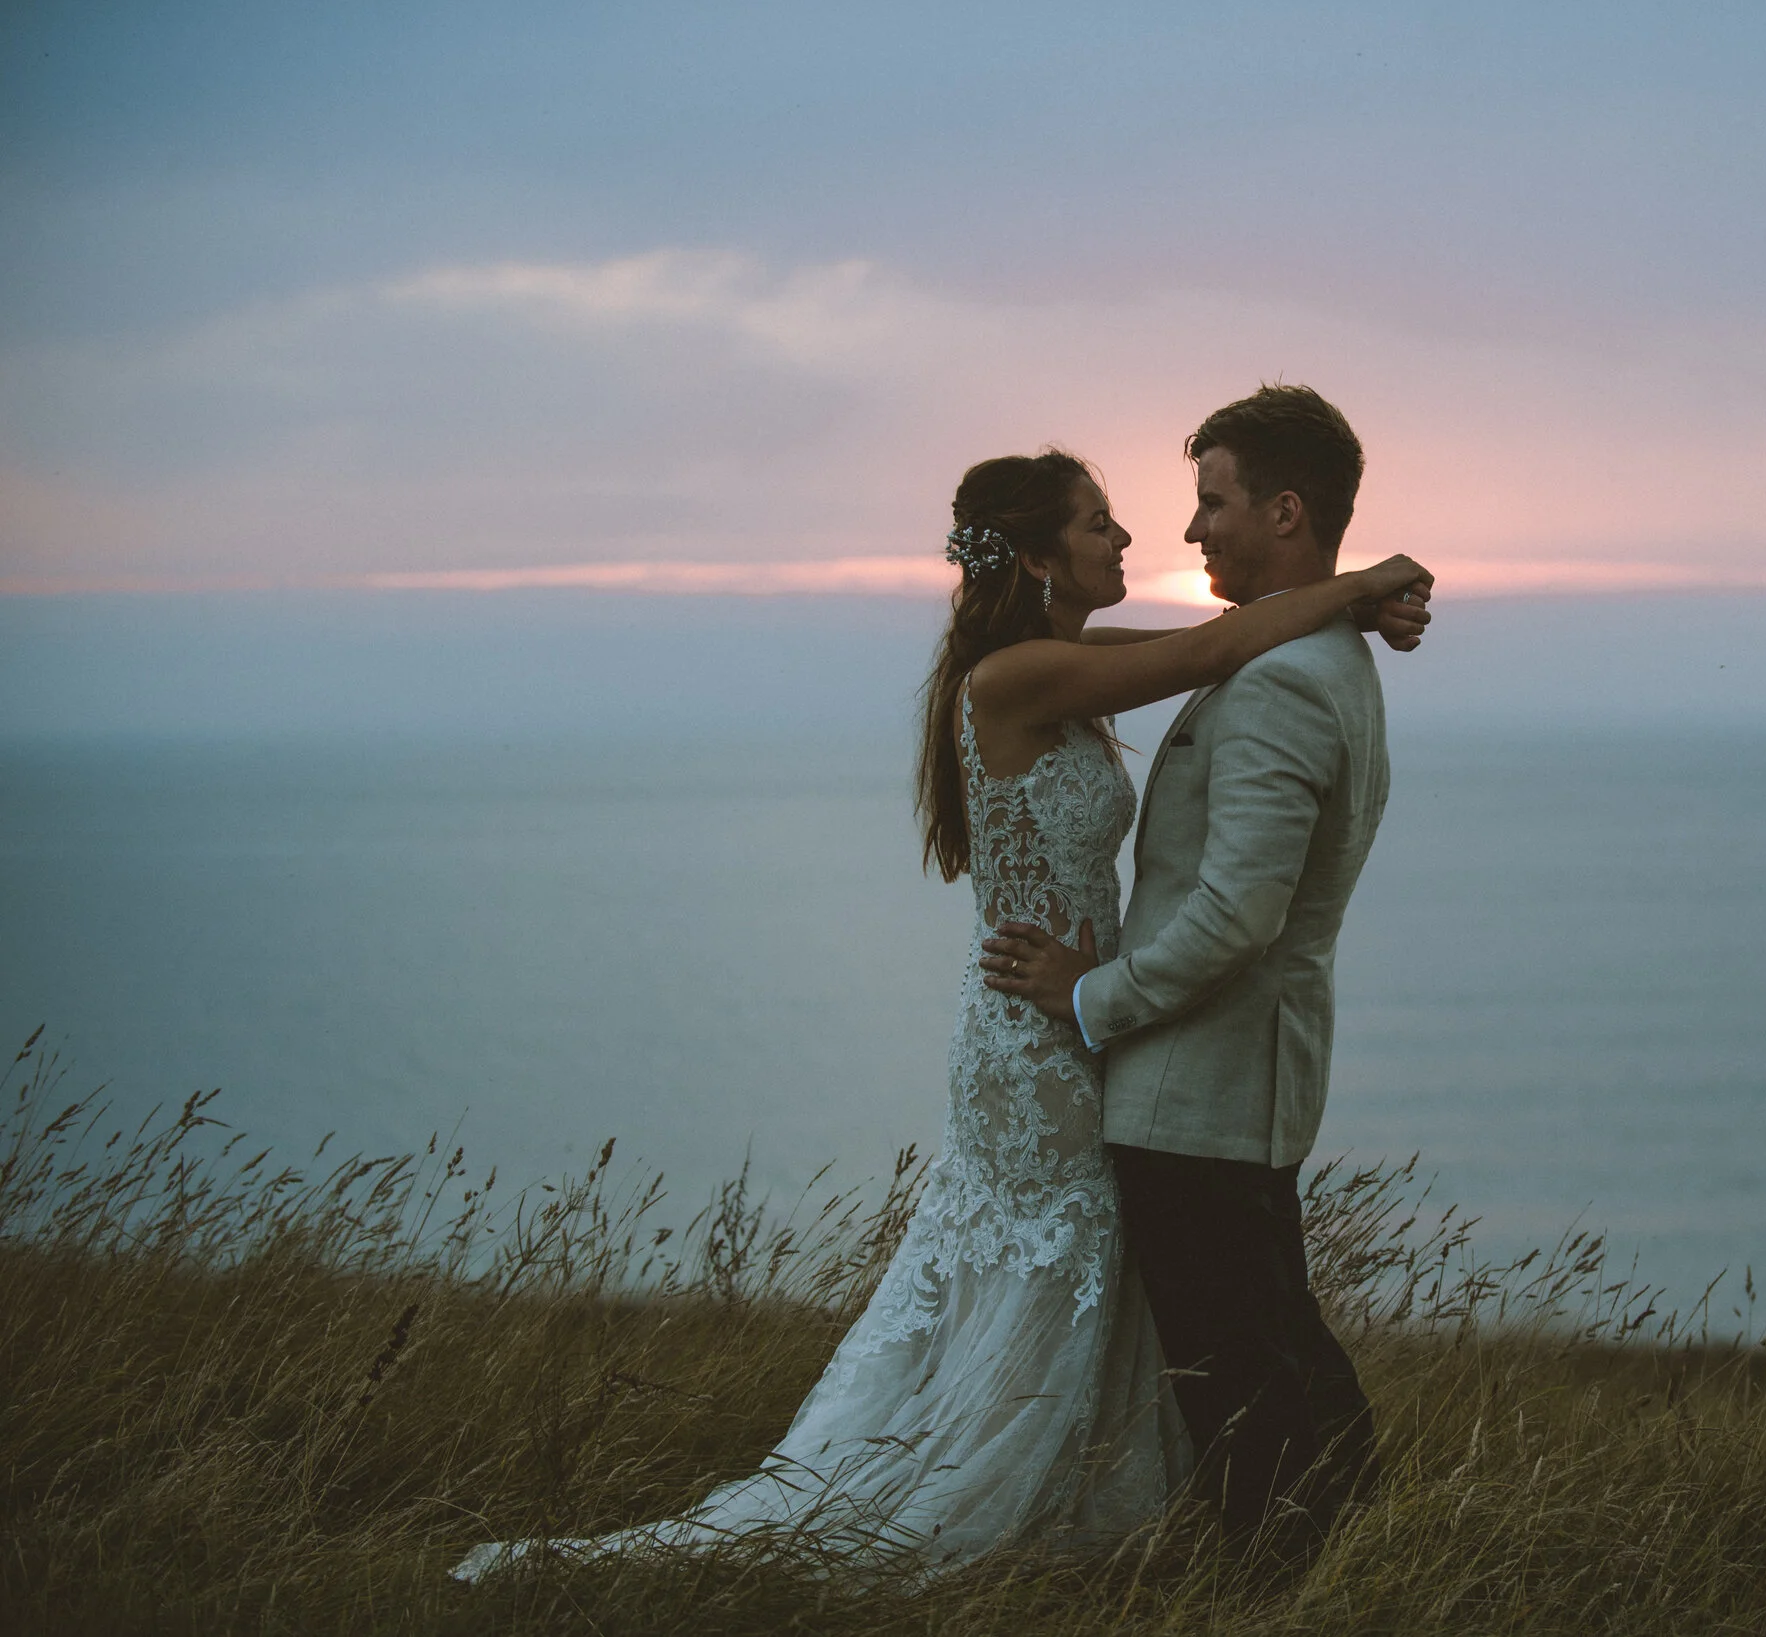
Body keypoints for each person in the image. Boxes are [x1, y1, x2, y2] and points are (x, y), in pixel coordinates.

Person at [451, 441, 1429, 1580]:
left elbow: (1215, 643)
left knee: (1090, 1273)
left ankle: (1078, 1504)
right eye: (1099, 523)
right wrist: (1360, 588)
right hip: (1039, 1022)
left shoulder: (1059, 656)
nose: (1131, 539)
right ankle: (998, 1512)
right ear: (1033, 554)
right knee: (1062, 1268)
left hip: (1077, 1015)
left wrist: (1343, 617)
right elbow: (1212, 644)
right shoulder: (1015, 677)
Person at [982, 385, 1400, 1569]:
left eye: (1211, 503)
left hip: (1198, 1083)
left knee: (1234, 1373)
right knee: (1279, 1340)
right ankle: (1368, 1554)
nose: (1189, 530)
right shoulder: (1315, 658)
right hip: (1245, 1074)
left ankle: (1286, 1582)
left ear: (1283, 509)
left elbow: (1235, 916)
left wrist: (1086, 995)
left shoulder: (1279, 679)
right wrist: (1373, 593)